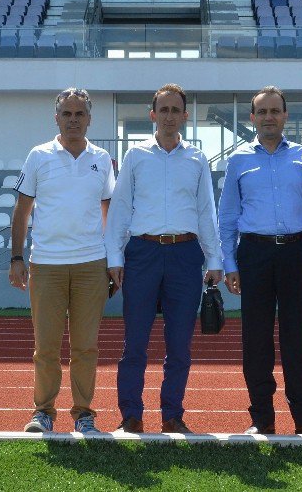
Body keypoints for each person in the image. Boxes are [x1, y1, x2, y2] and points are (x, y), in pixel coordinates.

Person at [105, 84, 223, 434]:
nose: (170, 116)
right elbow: (121, 207)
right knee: (135, 342)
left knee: (179, 344)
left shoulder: (197, 158)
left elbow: (206, 210)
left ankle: (172, 413)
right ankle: (131, 414)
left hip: (186, 254)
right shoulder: (135, 156)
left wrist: (214, 258)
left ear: (185, 116)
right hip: (142, 252)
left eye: (176, 110)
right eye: (164, 109)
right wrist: (115, 255)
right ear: (152, 114)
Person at [218, 86, 302, 435]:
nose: (268, 117)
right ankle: (261, 417)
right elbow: (227, 217)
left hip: (297, 253)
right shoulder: (237, 160)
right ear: (252, 118)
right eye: (261, 112)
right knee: (256, 339)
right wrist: (230, 263)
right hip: (254, 254)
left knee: (298, 337)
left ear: (285, 116)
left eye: (274, 111)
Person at [8, 88, 115, 435]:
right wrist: (17, 257)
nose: (73, 120)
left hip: (91, 265)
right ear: (56, 118)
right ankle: (44, 413)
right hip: (47, 265)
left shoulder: (102, 158)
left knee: (86, 346)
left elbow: (108, 212)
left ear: (89, 119)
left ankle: (84, 414)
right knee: (46, 347)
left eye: (79, 114)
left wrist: (113, 260)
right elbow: (22, 211)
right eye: (66, 114)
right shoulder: (38, 156)